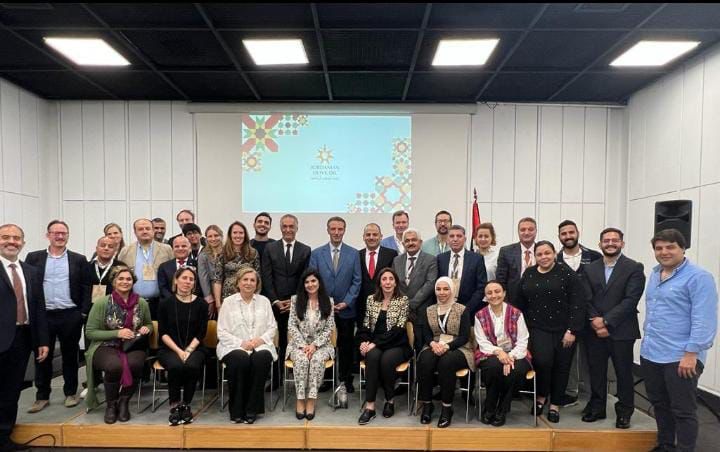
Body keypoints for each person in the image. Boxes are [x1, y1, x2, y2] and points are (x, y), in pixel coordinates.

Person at [641, 229, 717, 452]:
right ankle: (665, 445)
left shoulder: (699, 277)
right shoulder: (655, 274)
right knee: (660, 405)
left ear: (683, 248)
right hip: (652, 353)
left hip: (681, 357)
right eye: (659, 248)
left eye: (670, 247)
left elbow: (704, 319)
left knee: (683, 410)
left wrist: (691, 354)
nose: (664, 252)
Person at [514, 240, 585, 423]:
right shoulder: (529, 273)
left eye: (547, 253)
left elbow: (578, 302)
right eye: (539, 254)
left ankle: (555, 404)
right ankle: (541, 397)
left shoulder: (566, 273)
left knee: (562, 366)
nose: (543, 257)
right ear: (535, 256)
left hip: (565, 330)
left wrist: (572, 330)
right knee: (542, 363)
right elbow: (519, 301)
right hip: (538, 328)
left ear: (554, 254)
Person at [581, 227, 645, 429]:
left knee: (623, 373)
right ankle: (597, 407)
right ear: (599, 244)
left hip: (622, 330)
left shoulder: (634, 267)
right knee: (596, 372)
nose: (610, 243)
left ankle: (624, 412)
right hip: (594, 330)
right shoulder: (590, 269)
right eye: (606, 240)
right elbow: (586, 298)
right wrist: (595, 320)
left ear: (622, 244)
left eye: (614, 240)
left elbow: (631, 300)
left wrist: (606, 321)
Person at [26, 220, 92, 413]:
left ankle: (70, 392)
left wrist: (82, 312)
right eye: (56, 233)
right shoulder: (34, 258)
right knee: (42, 356)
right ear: (48, 235)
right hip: (43, 315)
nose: (60, 236)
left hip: (70, 314)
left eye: (63, 233)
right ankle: (42, 396)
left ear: (68, 236)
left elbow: (86, 287)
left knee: (70, 355)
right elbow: (29, 285)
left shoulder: (79, 259)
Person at [0, 224, 49, 452]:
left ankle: (4, 437)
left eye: (16, 238)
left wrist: (43, 340)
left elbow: (38, 307)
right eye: (6, 237)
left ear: (23, 243)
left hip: (22, 338)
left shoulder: (31, 271)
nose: (12, 241)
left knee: (11, 391)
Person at [84, 266, 153, 424]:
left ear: (133, 282)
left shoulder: (141, 303)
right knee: (114, 366)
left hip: (133, 345)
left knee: (136, 364)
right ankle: (111, 404)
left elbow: (149, 324)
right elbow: (90, 332)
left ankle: (124, 401)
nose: (125, 282)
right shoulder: (102, 303)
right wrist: (117, 333)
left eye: (128, 279)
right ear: (114, 282)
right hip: (105, 345)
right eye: (120, 279)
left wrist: (146, 329)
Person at [217, 267, 277, 424]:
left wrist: (259, 340)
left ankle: (252, 409)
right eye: (245, 279)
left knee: (261, 359)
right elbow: (221, 331)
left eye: (252, 280)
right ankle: (237, 410)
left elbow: (272, 327)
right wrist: (241, 343)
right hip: (233, 346)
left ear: (257, 284)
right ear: (238, 282)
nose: (248, 283)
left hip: (260, 345)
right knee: (240, 359)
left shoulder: (264, 301)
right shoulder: (228, 302)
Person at [309, 216, 361, 393]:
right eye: (333, 229)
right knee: (324, 344)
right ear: (328, 230)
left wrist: (347, 302)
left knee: (346, 345)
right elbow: (312, 280)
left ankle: (345, 380)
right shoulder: (317, 253)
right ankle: (327, 378)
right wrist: (325, 302)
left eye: (340, 229)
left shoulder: (354, 253)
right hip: (324, 309)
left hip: (346, 309)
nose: (337, 232)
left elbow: (357, 281)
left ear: (344, 230)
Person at [261, 214, 311, 390]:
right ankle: (276, 378)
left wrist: (294, 301)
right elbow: (266, 277)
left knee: (298, 341)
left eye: (291, 226)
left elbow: (305, 278)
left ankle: (298, 378)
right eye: (285, 226)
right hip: (275, 305)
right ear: (280, 228)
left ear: (297, 228)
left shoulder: (305, 250)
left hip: (297, 304)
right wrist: (275, 300)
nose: (288, 229)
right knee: (277, 342)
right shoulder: (270, 248)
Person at [416, 277, 473, 428]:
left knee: (446, 362)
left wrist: (447, 346)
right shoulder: (429, 310)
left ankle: (447, 408)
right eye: (438, 289)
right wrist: (433, 344)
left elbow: (464, 336)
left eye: (446, 289)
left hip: (459, 347)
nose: (442, 292)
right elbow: (426, 334)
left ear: (452, 290)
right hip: (434, 345)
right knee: (424, 360)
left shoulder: (462, 309)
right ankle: (427, 405)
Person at [556, 219, 602, 407]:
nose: (568, 236)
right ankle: (570, 391)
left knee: (592, 356)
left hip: (592, 315)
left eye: (571, 232)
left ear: (577, 233)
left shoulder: (595, 257)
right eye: (564, 233)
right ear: (559, 237)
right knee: (568, 356)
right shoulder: (555, 260)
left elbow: (601, 287)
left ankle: (594, 394)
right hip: (565, 317)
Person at [357, 268, 411, 425]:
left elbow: (398, 329)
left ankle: (390, 400)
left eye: (391, 279)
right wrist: (364, 342)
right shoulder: (371, 300)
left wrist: (374, 343)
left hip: (397, 344)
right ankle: (370, 407)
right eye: (384, 279)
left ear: (395, 283)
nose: (387, 282)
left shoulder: (403, 300)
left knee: (387, 360)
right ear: (379, 283)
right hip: (375, 344)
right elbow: (366, 325)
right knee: (372, 357)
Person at [474, 280, 531, 427]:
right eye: (489, 293)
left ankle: (502, 409)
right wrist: (499, 352)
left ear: (504, 293)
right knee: (493, 367)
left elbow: (523, 340)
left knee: (516, 370)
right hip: (490, 352)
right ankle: (491, 404)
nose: (494, 295)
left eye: (497, 291)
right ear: (485, 296)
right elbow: (482, 342)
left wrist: (510, 356)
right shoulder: (479, 315)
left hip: (516, 352)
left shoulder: (516, 313)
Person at [157, 267, 208, 426]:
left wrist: (188, 350)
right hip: (170, 348)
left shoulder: (201, 304)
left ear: (194, 283)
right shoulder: (165, 303)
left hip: (195, 348)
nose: (187, 282)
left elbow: (201, 332)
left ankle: (186, 404)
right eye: (184, 278)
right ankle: (174, 405)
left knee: (192, 365)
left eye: (191, 279)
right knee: (176, 366)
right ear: (176, 280)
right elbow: (163, 333)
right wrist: (179, 351)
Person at [287, 269, 335, 420]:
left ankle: (311, 400)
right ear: (303, 285)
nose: (310, 284)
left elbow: (329, 328)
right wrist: (303, 345)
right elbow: (291, 325)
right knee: (302, 360)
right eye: (307, 282)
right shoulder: (295, 300)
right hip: (298, 345)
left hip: (322, 345)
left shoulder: (329, 301)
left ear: (319, 282)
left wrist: (315, 345)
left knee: (316, 360)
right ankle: (300, 400)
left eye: (313, 281)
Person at [118, 218, 174, 320]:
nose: (144, 231)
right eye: (140, 229)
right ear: (135, 232)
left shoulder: (166, 249)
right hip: (133, 302)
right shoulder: (126, 251)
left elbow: (173, 274)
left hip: (160, 302)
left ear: (153, 230)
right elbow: (118, 276)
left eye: (147, 228)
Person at [392, 228, 437, 341]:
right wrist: (403, 303)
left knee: (420, 344)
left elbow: (430, 283)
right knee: (401, 343)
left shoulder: (431, 260)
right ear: (403, 244)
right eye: (407, 241)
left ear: (420, 242)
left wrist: (411, 304)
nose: (410, 243)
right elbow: (394, 283)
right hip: (400, 311)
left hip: (422, 311)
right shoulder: (396, 260)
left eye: (414, 240)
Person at [437, 225, 487, 318]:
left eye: (459, 236)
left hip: (469, 310)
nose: (455, 239)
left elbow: (481, 287)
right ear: (447, 239)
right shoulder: (440, 258)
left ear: (465, 239)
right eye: (452, 236)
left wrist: (466, 309)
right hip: (444, 309)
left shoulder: (477, 259)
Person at [212, 221, 260, 311]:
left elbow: (258, 279)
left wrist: (256, 300)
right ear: (230, 235)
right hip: (227, 298)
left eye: (241, 233)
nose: (238, 235)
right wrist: (218, 304)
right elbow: (217, 280)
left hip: (248, 298)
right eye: (235, 232)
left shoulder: (253, 253)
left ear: (245, 235)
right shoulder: (222, 253)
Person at [358, 223, 398, 329]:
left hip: (385, 305)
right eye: (368, 235)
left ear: (381, 237)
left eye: (375, 234)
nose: (371, 237)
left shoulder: (391, 254)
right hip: (362, 307)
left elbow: (394, 279)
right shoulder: (357, 255)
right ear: (363, 237)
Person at [496, 217, 537, 307]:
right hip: (513, 303)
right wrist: (506, 304)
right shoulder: (506, 251)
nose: (526, 233)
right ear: (518, 232)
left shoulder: (542, 251)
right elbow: (500, 281)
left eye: (530, 229)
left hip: (538, 301)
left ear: (536, 231)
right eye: (523, 230)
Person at [158, 236, 202, 301]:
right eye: (177, 246)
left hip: (192, 302)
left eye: (184, 246)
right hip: (170, 302)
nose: (180, 248)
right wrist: (176, 300)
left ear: (190, 249)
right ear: (172, 249)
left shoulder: (198, 265)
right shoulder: (163, 267)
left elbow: (200, 286)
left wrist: (188, 299)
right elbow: (163, 288)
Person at [89, 236, 125, 302]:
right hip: (89, 307)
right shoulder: (87, 266)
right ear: (97, 248)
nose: (106, 248)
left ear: (115, 251)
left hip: (114, 306)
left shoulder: (121, 267)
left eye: (110, 247)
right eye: (103, 246)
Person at [198, 225, 223, 317]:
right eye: (210, 236)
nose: (213, 239)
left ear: (221, 236)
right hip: (211, 290)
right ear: (206, 238)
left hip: (227, 290)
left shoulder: (228, 251)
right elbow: (203, 278)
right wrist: (210, 299)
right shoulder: (203, 255)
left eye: (216, 235)